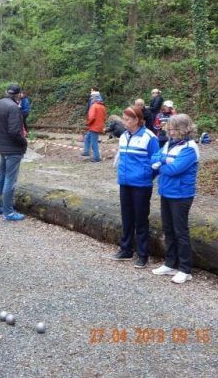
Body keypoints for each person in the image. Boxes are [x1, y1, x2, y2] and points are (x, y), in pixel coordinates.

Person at [151, 114, 199, 284]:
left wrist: (162, 163)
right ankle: (170, 263)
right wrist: (165, 160)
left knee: (180, 231)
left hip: (181, 194)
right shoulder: (168, 144)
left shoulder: (189, 147)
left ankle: (185, 269)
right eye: (170, 128)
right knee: (168, 229)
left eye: (174, 128)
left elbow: (175, 169)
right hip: (166, 192)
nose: (170, 131)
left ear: (184, 129)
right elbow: (154, 158)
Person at [111, 106, 160, 268]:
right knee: (126, 217)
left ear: (138, 120)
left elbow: (156, 162)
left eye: (128, 119)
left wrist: (146, 176)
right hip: (125, 183)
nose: (124, 122)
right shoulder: (124, 136)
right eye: (124, 118)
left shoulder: (149, 137)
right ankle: (126, 249)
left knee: (140, 220)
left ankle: (142, 254)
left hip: (141, 185)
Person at [0, 84, 27, 221]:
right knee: (10, 180)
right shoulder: (14, 108)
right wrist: (24, 142)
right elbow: (14, 131)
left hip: (1, 146)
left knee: (1, 176)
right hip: (13, 149)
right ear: (18, 95)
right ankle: (8, 212)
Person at [82, 93, 107, 162]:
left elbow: (91, 117)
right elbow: (105, 117)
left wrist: (87, 123)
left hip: (94, 126)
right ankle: (86, 151)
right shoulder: (103, 107)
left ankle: (96, 157)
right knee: (87, 137)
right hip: (99, 126)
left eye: (92, 98)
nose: (91, 99)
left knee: (94, 142)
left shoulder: (93, 106)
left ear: (94, 99)